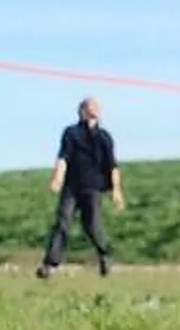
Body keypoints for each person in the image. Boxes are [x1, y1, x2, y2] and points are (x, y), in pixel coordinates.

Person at [36, 96, 125, 278]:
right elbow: (63, 157)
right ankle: (50, 265)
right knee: (63, 222)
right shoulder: (71, 133)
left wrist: (116, 191)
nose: (96, 108)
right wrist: (57, 178)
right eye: (92, 105)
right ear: (83, 110)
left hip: (93, 188)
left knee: (92, 226)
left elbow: (112, 166)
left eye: (98, 106)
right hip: (71, 187)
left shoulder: (104, 137)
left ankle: (105, 255)